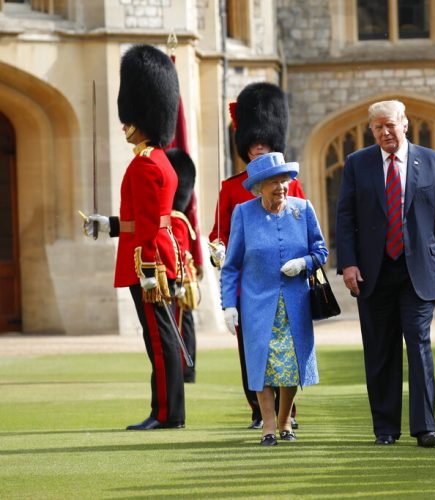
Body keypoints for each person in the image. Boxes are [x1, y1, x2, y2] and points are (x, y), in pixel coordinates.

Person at [336, 99, 435, 447]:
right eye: (378, 127)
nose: (385, 132)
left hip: (419, 270)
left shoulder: (433, 161)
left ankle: (425, 428)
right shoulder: (357, 164)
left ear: (405, 124)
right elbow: (345, 218)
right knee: (380, 350)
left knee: (418, 343)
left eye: (390, 125)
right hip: (372, 272)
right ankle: (385, 429)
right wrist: (347, 263)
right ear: (372, 130)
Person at [83, 44, 184, 430]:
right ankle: (168, 411)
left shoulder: (144, 166)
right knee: (159, 339)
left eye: (129, 120)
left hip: (149, 261)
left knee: (159, 342)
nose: (124, 125)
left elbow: (145, 226)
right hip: (156, 256)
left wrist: (145, 269)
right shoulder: (158, 161)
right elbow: (142, 219)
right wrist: (106, 224)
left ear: (142, 118)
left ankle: (166, 415)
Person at [208, 82, 305, 430]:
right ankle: (258, 409)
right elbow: (218, 232)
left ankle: (287, 412)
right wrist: (217, 248)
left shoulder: (290, 184)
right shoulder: (231, 187)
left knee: (288, 344)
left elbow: (303, 225)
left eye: (261, 140)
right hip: (249, 280)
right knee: (253, 347)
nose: (256, 146)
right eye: (250, 142)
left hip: (285, 277)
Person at [221, 152, 327, 446]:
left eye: (285, 180)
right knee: (262, 364)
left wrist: (304, 263)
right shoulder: (243, 213)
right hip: (257, 303)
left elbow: (321, 250)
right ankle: (268, 426)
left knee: (290, 365)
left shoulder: (303, 209)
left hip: (295, 301)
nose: (282, 187)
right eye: (274, 182)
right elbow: (231, 265)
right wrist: (229, 304)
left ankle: (285, 421)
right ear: (259, 187)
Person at [166, 148, 200, 383]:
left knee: (181, 323)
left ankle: (186, 368)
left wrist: (177, 281)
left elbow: (177, 249)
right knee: (182, 322)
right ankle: (185, 367)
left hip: (179, 278)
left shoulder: (176, 219)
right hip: (181, 276)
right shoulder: (178, 217)